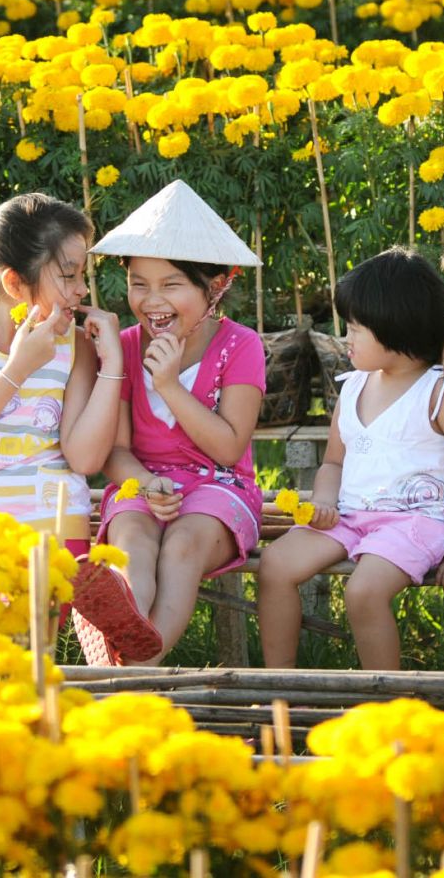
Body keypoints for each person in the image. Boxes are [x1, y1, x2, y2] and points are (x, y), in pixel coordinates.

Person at [0, 194, 158, 661]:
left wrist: (112, 364)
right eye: (69, 275)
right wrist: (17, 369)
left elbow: (85, 458)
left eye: (82, 275)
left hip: (47, 511)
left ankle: (78, 582)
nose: (82, 290)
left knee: (25, 639)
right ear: (13, 281)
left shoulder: (74, 344)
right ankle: (81, 586)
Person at [257, 249, 444, 670]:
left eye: (355, 329)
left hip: (417, 521)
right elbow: (332, 463)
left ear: (395, 330)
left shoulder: (440, 392)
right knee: (274, 564)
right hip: (350, 516)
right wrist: (324, 501)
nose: (345, 339)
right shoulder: (352, 388)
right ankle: (280, 686)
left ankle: (384, 703)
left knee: (363, 591)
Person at [90, 179, 266, 665]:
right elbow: (117, 453)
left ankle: (132, 674)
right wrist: (147, 485)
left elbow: (230, 447)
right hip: (143, 485)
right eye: (138, 284)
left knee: (182, 548)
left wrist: (169, 384)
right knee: (132, 545)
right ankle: (121, 629)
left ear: (214, 287)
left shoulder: (240, 345)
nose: (152, 300)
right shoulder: (125, 346)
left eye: (171, 285)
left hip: (221, 487)